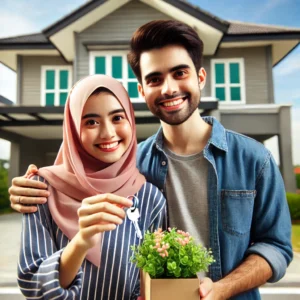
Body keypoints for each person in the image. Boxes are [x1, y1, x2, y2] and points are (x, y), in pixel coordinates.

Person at [9, 20, 292, 299]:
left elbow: (276, 246)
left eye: (179, 72)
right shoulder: (131, 167)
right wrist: (31, 188)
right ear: (142, 90)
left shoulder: (255, 159)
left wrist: (221, 290)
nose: (168, 88)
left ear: (200, 77)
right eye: (155, 79)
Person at [16, 74, 167, 300]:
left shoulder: (149, 198)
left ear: (131, 121)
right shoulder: (41, 190)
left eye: (117, 118)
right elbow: (33, 284)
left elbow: (154, 283)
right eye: (91, 122)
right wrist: (81, 242)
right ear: (73, 130)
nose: (107, 133)